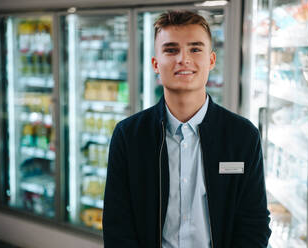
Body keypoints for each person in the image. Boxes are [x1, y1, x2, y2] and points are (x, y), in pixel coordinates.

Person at [103, 10, 271, 248]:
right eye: (171, 50)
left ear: (211, 60)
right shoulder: (128, 136)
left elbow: (254, 223)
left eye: (195, 49)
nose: (183, 59)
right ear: (155, 64)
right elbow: (117, 225)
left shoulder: (242, 136)